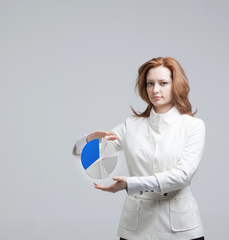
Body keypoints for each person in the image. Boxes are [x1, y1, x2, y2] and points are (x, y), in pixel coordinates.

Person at [72, 57, 206, 240]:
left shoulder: (193, 126)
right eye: (150, 83)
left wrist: (131, 184)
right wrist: (89, 139)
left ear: (176, 85)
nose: (155, 90)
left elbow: (183, 176)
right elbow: (83, 154)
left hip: (180, 228)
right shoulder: (131, 125)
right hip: (136, 227)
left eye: (163, 83)